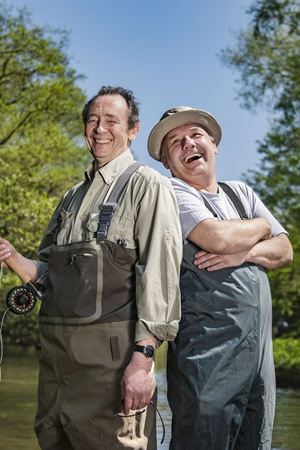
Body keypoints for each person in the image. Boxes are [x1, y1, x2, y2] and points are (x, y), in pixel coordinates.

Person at [0, 86, 182, 450]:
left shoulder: (148, 185)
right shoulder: (70, 196)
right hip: (55, 369)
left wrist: (142, 363)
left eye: (112, 121)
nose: (100, 128)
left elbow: (160, 276)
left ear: (132, 130)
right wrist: (12, 257)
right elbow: (52, 276)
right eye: (93, 120)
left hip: (111, 372)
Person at [147, 106, 293, 449]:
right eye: (175, 142)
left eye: (196, 135)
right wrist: (261, 228)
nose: (188, 144)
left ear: (213, 145)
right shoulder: (171, 193)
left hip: (260, 362)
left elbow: (284, 250)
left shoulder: (240, 191)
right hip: (206, 362)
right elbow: (218, 239)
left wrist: (245, 253)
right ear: (167, 161)